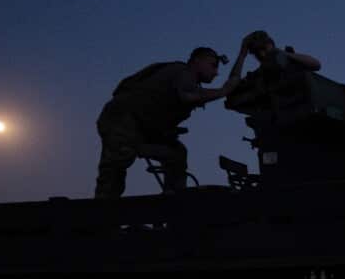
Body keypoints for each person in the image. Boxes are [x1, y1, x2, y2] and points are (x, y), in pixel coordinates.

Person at [94, 46, 245, 198]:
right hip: (121, 120)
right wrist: (222, 91)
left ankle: (174, 199)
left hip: (142, 127)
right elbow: (187, 95)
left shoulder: (187, 79)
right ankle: (101, 214)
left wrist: (243, 53)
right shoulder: (183, 72)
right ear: (197, 61)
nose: (216, 72)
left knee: (176, 154)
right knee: (113, 173)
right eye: (212, 65)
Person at [234, 30, 321, 77]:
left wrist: (284, 54)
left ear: (270, 44)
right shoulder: (260, 74)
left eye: (263, 49)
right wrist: (242, 56)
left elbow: (316, 64)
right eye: (257, 52)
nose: (261, 54)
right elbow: (232, 85)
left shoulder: (286, 59)